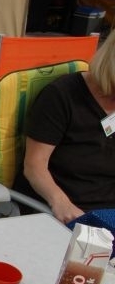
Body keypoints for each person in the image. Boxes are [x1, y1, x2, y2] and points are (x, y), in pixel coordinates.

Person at [12, 33, 115, 224]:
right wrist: (61, 203)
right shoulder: (62, 96)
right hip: (63, 212)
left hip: (107, 213)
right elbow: (34, 166)